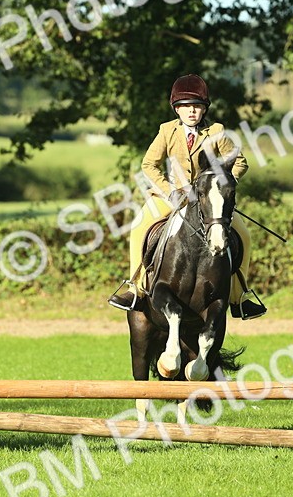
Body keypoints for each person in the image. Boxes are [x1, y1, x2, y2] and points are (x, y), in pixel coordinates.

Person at [107, 73, 267, 319]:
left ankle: (240, 297)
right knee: (139, 227)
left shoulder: (216, 131)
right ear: (177, 109)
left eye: (197, 107)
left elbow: (240, 163)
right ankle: (136, 288)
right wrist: (169, 191)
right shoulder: (166, 131)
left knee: (243, 235)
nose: (192, 111)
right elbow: (149, 165)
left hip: (210, 199)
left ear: (204, 110)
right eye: (186, 107)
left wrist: (222, 185)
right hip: (172, 195)